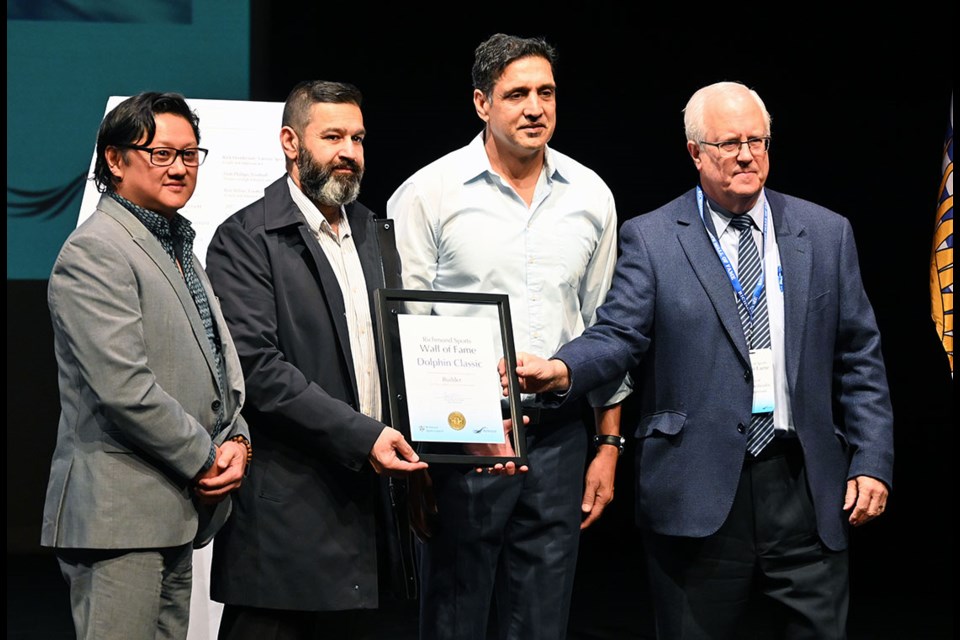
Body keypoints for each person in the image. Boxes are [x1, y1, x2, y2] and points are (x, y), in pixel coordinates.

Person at [507, 81, 895, 639]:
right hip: (698, 490)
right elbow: (618, 333)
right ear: (695, 152)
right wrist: (563, 370)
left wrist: (872, 458)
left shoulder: (827, 233)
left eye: (757, 140)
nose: (745, 154)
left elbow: (861, 355)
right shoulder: (655, 237)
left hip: (805, 485)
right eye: (728, 143)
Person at [387, 33, 629, 640]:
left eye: (545, 92)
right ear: (481, 103)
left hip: (557, 441)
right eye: (516, 93)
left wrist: (608, 445)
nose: (534, 107)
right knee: (453, 619)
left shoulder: (591, 195)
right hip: (463, 444)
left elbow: (608, 329)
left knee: (542, 622)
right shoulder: (427, 194)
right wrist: (420, 462)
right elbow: (401, 335)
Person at [204, 80, 431, 640]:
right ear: (290, 141)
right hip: (285, 525)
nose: (349, 151)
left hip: (370, 515)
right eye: (332, 136)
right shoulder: (245, 237)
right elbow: (258, 369)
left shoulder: (375, 233)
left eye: (357, 137)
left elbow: (398, 355)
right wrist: (365, 437)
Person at [41, 91, 251, 640]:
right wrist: (207, 456)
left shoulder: (177, 244)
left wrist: (239, 440)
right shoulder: (97, 250)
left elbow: (217, 365)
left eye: (190, 154)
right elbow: (123, 386)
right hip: (119, 519)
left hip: (172, 512)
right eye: (161, 153)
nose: (179, 167)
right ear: (114, 160)